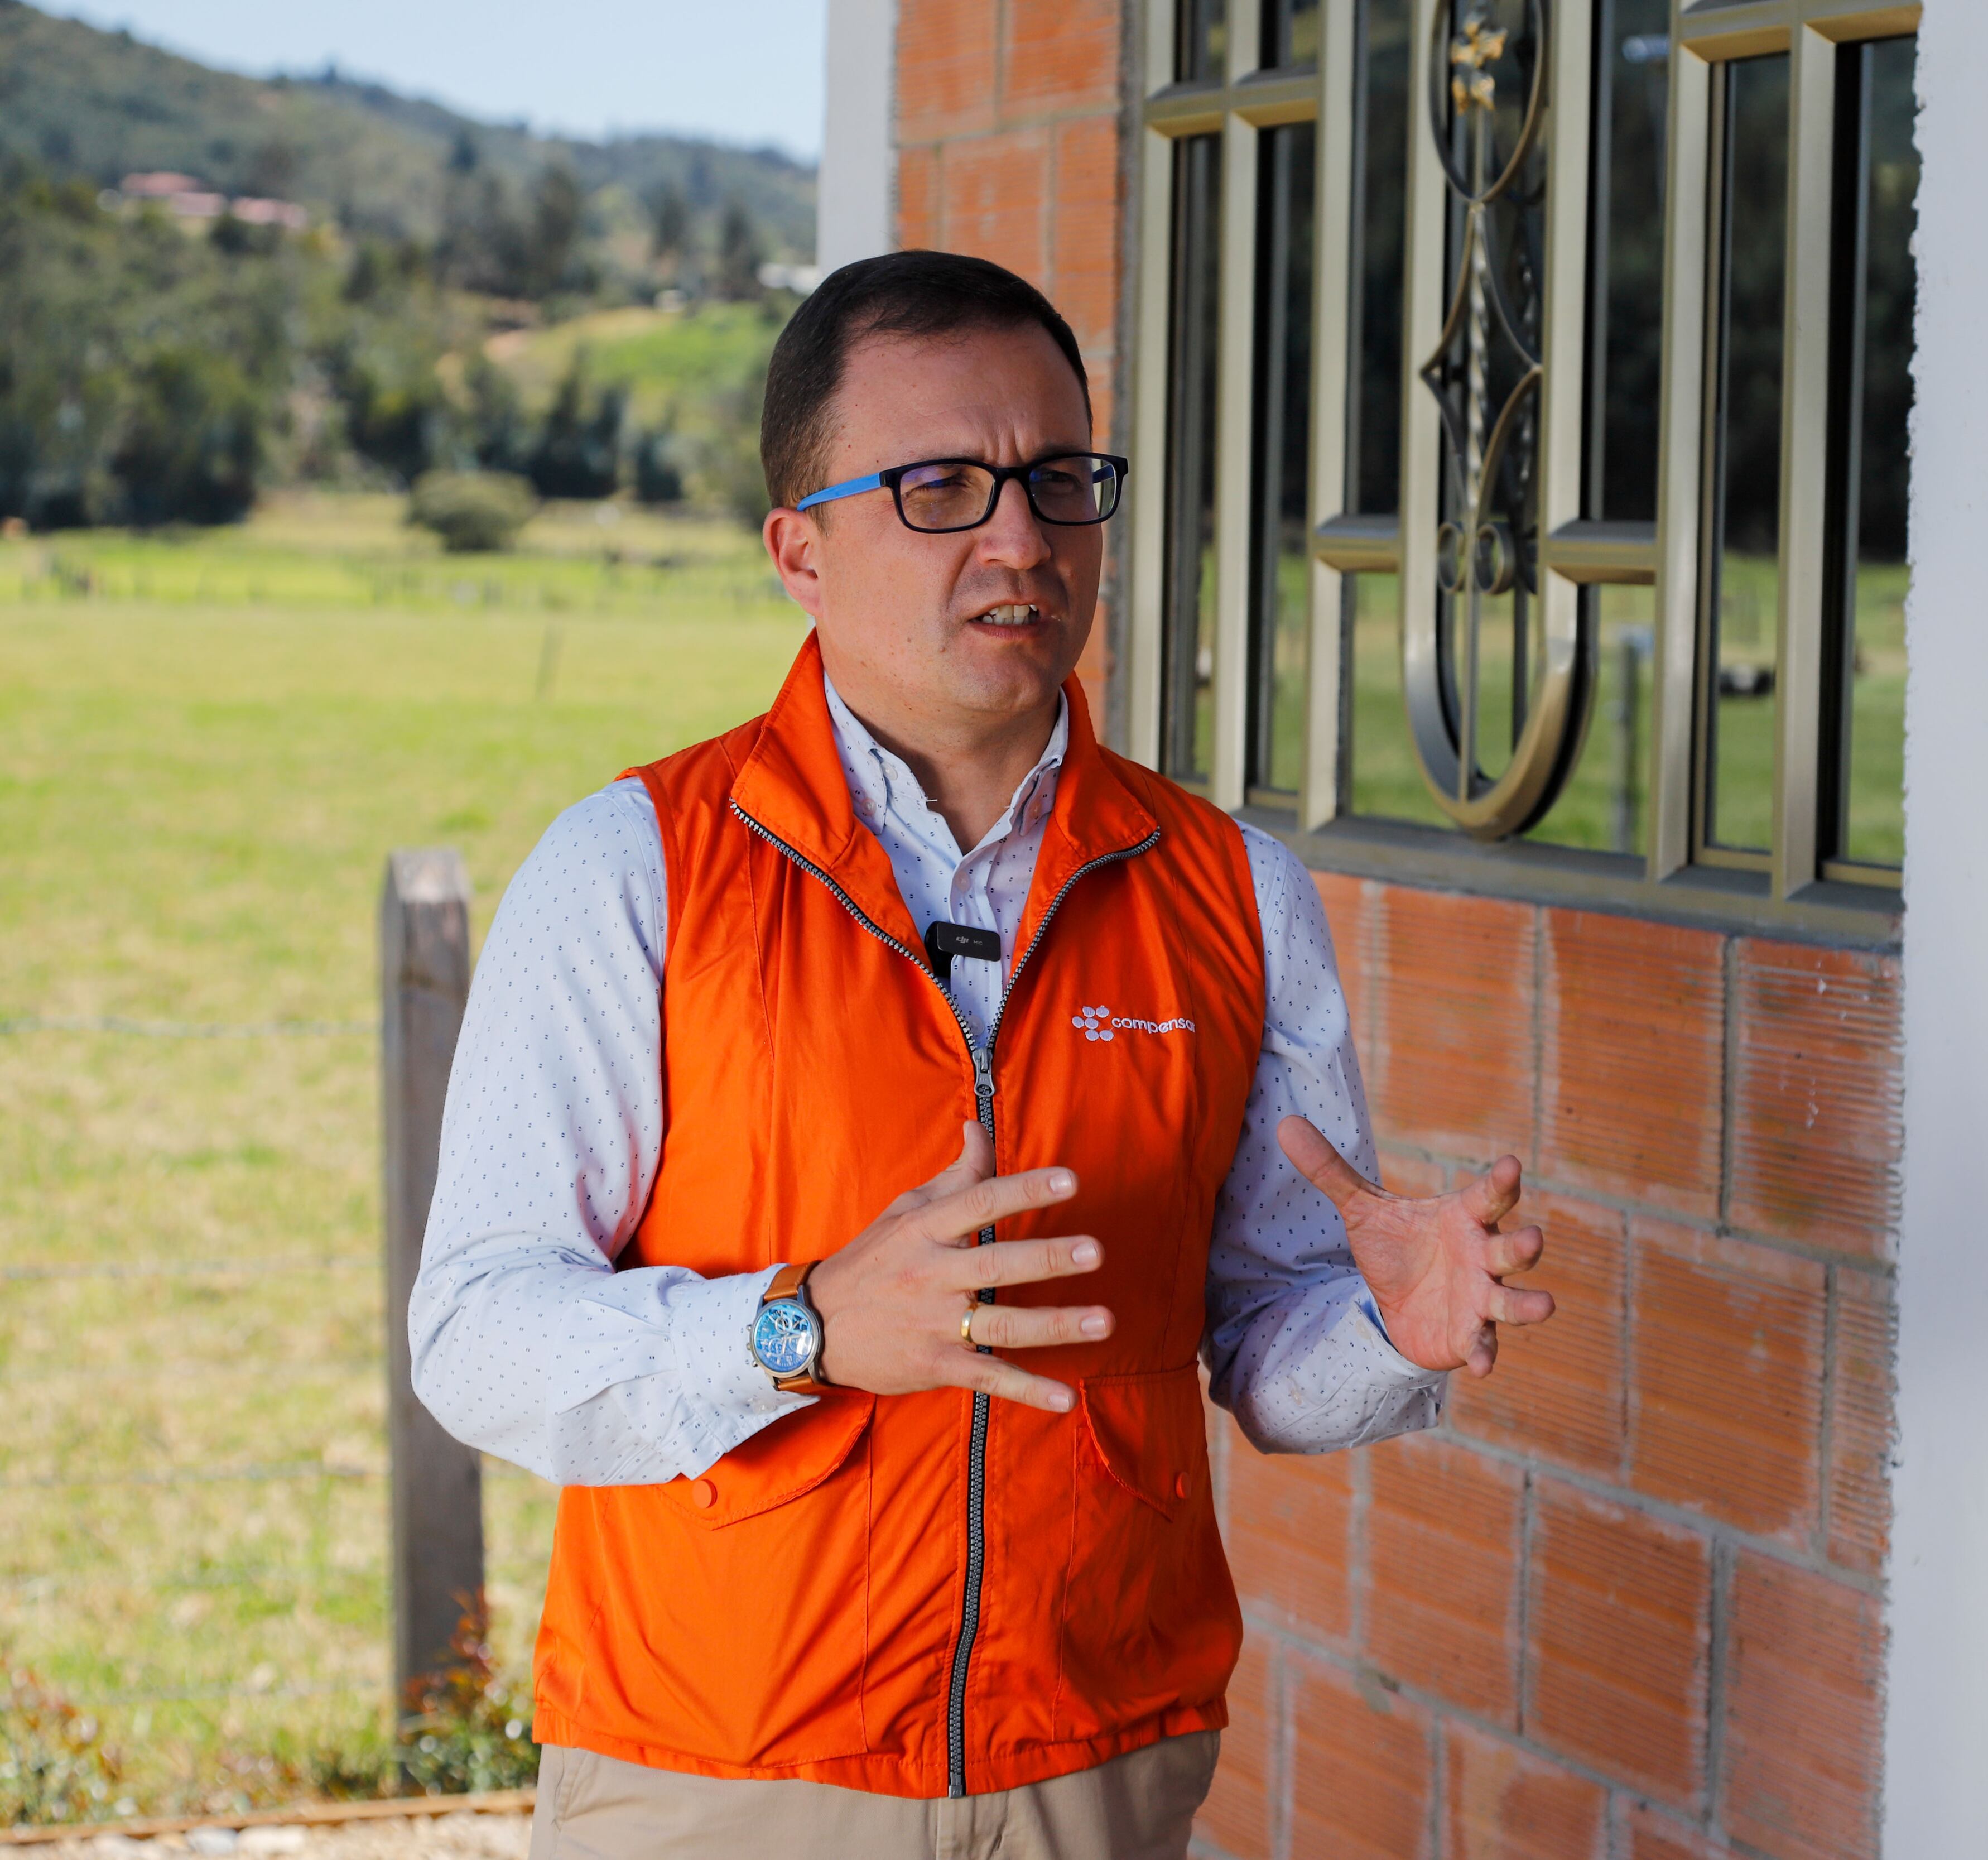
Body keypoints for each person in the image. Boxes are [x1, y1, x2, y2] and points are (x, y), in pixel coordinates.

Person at [407, 250, 1557, 1860]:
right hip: (718, 1778)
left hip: (1092, 1772)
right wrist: (800, 1330)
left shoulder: (1235, 893)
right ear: (799, 550)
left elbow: (1260, 1359)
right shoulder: (636, 871)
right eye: (941, 486)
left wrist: (1391, 1328)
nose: (1021, 540)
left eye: (1056, 480)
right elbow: (476, 1333)